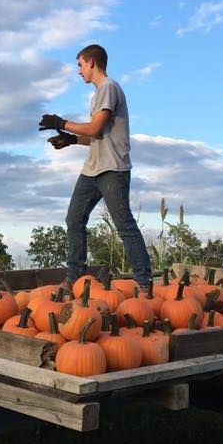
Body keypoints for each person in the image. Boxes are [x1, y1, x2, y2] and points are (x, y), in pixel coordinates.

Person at [38, 43, 152, 288]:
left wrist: (61, 122)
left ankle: (144, 283)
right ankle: (74, 279)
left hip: (112, 169)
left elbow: (95, 128)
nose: (79, 71)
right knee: (74, 219)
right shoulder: (100, 93)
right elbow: (96, 136)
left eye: (80, 65)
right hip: (93, 169)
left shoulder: (108, 88)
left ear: (91, 62)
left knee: (124, 226)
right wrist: (71, 140)